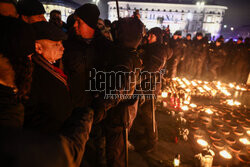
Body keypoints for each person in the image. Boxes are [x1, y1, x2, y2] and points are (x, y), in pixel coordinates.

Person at [24, 21, 73, 135]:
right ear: (38, 47)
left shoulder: (49, 67)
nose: (62, 48)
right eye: (56, 44)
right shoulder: (32, 74)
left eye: (61, 43)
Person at [136, 27, 168, 152]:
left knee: (149, 114)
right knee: (145, 112)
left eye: (151, 36)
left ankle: (152, 141)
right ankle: (147, 133)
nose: (148, 37)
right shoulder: (149, 47)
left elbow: (153, 67)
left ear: (158, 37)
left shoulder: (159, 50)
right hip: (146, 84)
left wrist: (140, 77)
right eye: (148, 35)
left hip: (152, 85)